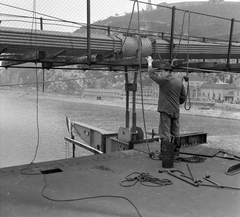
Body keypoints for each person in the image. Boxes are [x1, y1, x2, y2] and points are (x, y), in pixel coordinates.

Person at [146, 56, 187, 157]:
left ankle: (165, 154)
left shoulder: (164, 80)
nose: (160, 73)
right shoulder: (179, 82)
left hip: (166, 111)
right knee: (175, 132)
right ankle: (176, 152)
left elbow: (151, 74)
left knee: (165, 133)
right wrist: (177, 103)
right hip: (175, 111)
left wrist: (150, 63)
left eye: (162, 71)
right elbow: (183, 96)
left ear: (167, 71)